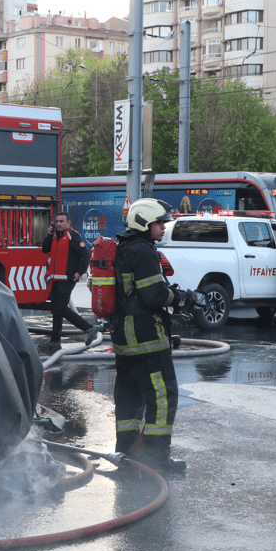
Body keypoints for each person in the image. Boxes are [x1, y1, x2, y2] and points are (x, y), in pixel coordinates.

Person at [111, 198, 194, 473]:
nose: (163, 227)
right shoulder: (144, 251)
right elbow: (154, 295)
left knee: (129, 396)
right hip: (146, 336)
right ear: (145, 222)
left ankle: (126, 454)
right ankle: (157, 460)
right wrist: (180, 298)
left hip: (124, 337)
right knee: (162, 396)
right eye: (159, 222)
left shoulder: (122, 248)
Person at [40, 211, 97, 349]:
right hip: (56, 279)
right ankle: (54, 342)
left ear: (68, 223)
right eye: (57, 221)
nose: (59, 224)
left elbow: (85, 255)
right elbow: (44, 249)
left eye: (62, 221)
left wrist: (80, 272)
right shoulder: (55, 237)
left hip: (67, 279)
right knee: (56, 309)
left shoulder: (73, 237)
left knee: (59, 308)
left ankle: (89, 329)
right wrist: (49, 234)